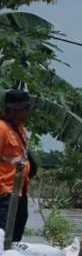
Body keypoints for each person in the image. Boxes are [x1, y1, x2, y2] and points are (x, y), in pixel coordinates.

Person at [0, 89, 34, 243]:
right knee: (3, 238)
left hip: (20, 192)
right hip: (5, 194)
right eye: (25, 109)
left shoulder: (20, 130)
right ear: (14, 110)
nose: (28, 112)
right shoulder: (2, 129)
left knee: (15, 241)